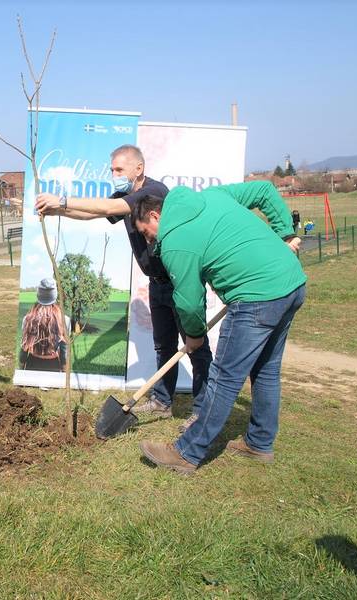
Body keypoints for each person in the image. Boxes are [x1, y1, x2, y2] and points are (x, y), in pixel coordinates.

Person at [131, 181, 306, 474]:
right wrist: (285, 232)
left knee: (223, 377)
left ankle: (187, 451)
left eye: (146, 233)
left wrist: (194, 335)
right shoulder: (212, 196)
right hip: (291, 282)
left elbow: (187, 302)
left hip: (256, 297)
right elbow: (264, 190)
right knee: (266, 370)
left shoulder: (174, 241)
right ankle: (259, 443)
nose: (149, 242)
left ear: (155, 217)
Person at [35, 145, 212, 428]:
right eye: (112, 170)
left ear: (138, 169)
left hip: (179, 281)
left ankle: (204, 410)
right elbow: (95, 213)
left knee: (197, 347)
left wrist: (63, 199)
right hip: (156, 283)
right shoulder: (125, 195)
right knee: (163, 346)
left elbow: (110, 207)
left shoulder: (153, 192)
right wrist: (58, 211)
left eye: (119, 169)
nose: (114, 174)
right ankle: (162, 401)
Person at [19, 278, 71, 372]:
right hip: (53, 366)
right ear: (55, 295)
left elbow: (24, 349)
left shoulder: (27, 319)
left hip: (32, 364)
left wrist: (21, 366)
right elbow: (64, 352)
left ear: (38, 294)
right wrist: (64, 370)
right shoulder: (65, 320)